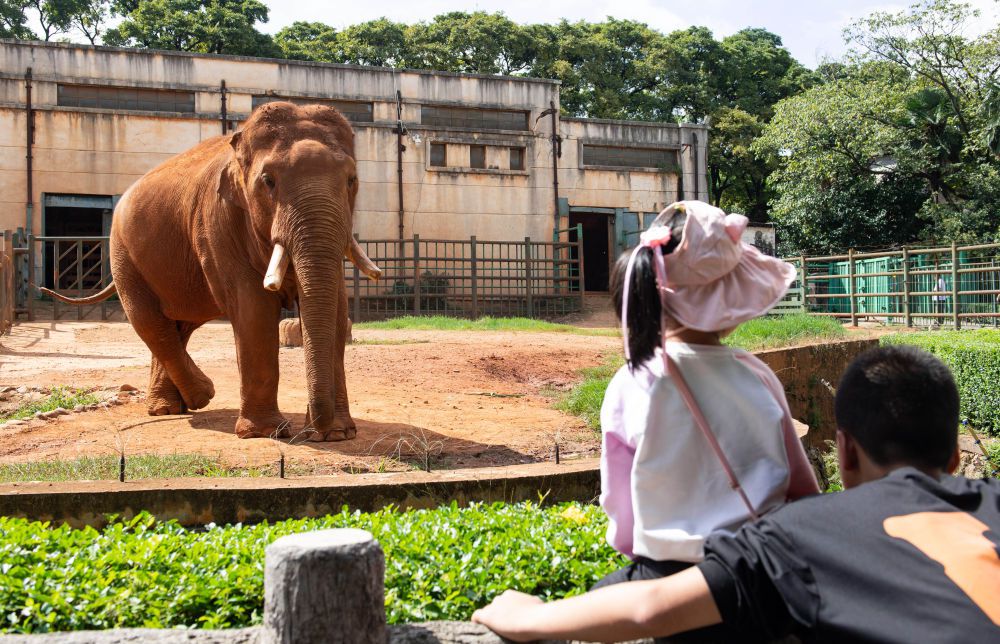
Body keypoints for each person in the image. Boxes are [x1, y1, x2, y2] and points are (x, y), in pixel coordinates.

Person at [472, 345, 1000, 642]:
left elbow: (652, 607)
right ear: (955, 456)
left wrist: (528, 615)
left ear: (845, 451)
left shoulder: (811, 534)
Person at [592, 200, 818, 639]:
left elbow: (620, 505)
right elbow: (803, 490)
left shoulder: (633, 381)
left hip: (669, 584)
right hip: (759, 578)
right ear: (731, 297)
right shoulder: (758, 375)